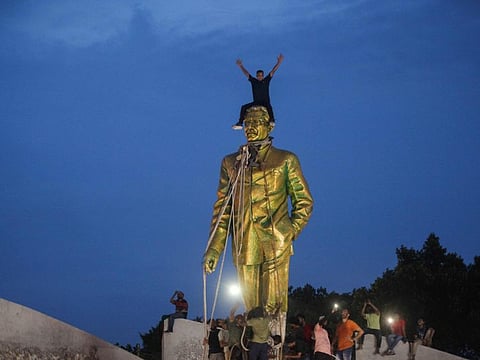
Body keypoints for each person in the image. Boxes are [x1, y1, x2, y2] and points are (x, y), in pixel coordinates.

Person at [203, 106, 313, 333]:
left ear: (269, 125)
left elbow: (304, 201)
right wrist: (214, 248)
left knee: (274, 306)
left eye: (256, 122)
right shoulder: (231, 162)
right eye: (247, 123)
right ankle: (253, 350)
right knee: (252, 309)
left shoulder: (285, 159)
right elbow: (223, 209)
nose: (250, 128)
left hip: (276, 242)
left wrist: (289, 232)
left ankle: (274, 349)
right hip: (245, 242)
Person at [233, 54, 284, 129]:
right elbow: (247, 74)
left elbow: (273, 71)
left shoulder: (266, 81)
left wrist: (279, 62)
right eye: (258, 75)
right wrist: (241, 66)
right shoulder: (254, 81)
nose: (260, 77)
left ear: (263, 76)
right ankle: (240, 123)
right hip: (256, 102)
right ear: (256, 76)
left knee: (269, 107)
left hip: (265, 102)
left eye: (261, 75)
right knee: (243, 107)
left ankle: (272, 120)